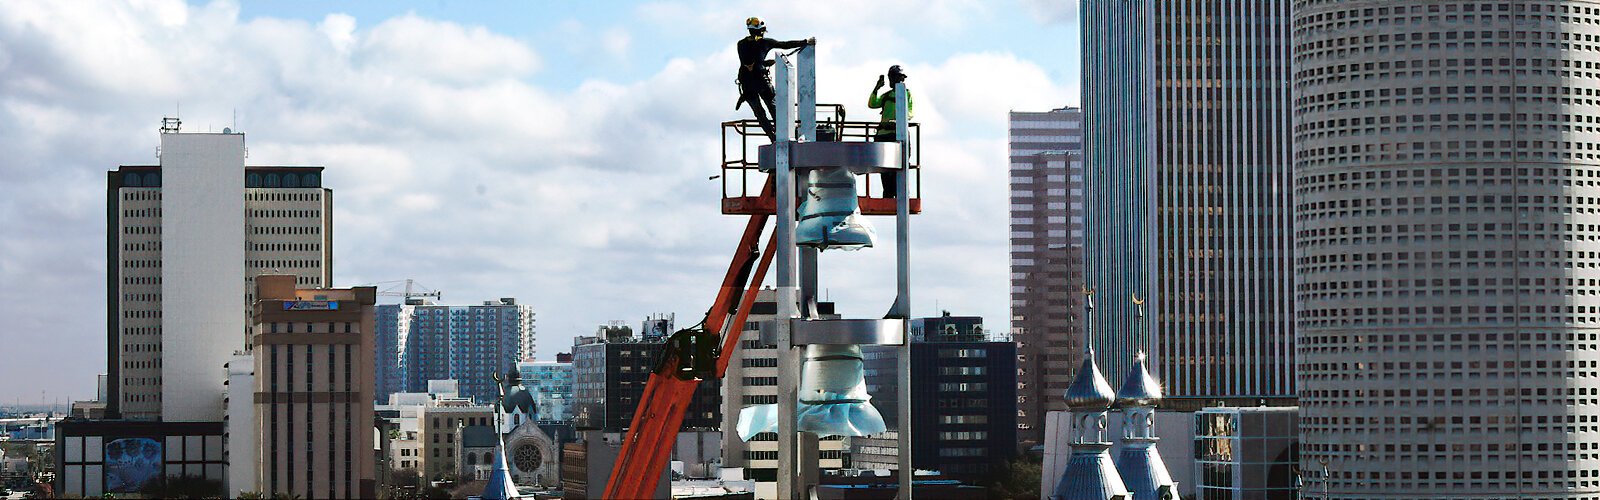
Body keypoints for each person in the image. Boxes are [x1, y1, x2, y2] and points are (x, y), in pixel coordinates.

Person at [736, 17, 815, 140]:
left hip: (747, 85)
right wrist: (805, 41)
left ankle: (772, 137)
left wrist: (764, 63)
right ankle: (784, 134)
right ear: (763, 30)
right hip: (761, 82)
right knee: (774, 109)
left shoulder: (741, 44)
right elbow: (785, 45)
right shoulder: (765, 42)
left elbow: (749, 62)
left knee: (759, 113)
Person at [868, 65, 913, 197]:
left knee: (898, 165)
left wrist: (898, 122)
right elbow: (872, 104)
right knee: (885, 168)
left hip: (897, 135)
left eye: (901, 78)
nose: (900, 81)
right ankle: (888, 193)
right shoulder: (886, 96)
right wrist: (877, 87)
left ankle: (900, 193)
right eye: (898, 78)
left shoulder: (906, 94)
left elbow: (909, 112)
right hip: (883, 135)